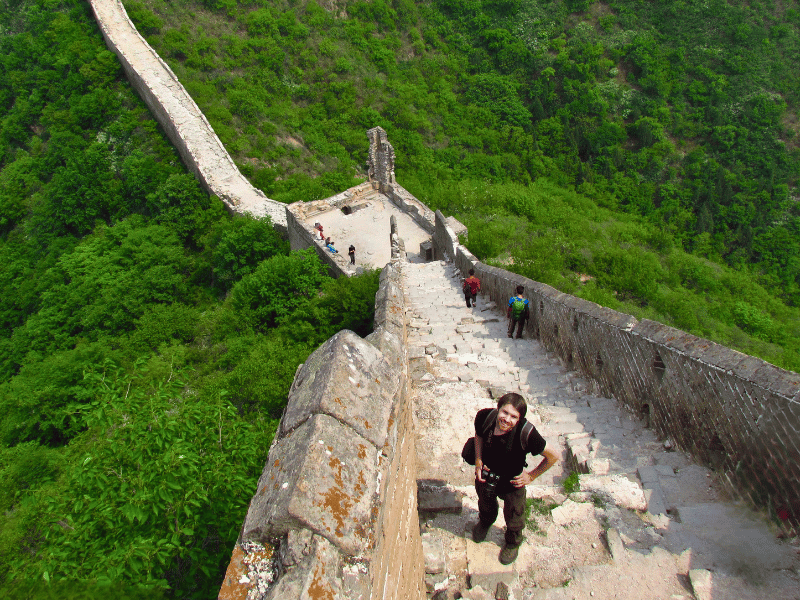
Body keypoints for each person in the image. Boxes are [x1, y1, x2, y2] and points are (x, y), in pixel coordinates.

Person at [472, 393, 558, 565]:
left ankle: (512, 542)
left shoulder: (528, 433)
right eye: (504, 413)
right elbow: (479, 435)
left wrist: (531, 476)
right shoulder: (485, 417)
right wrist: (478, 460)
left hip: (512, 482)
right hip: (488, 475)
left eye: (514, 417)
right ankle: (486, 521)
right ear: (498, 408)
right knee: (485, 502)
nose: (507, 419)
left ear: (520, 419)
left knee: (514, 516)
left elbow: (553, 456)